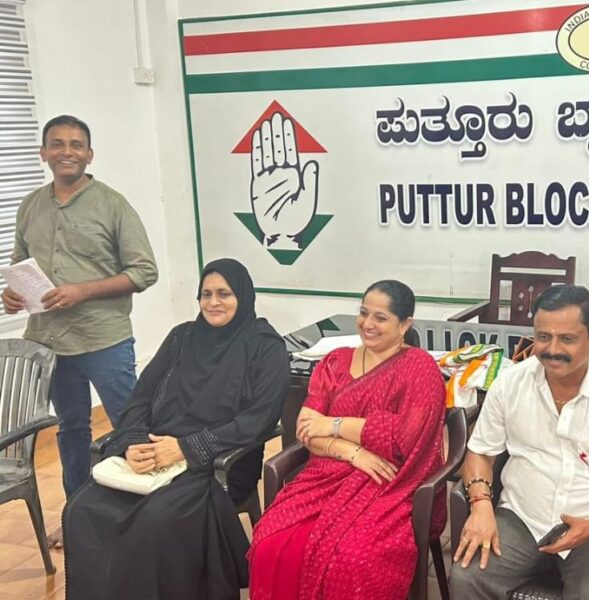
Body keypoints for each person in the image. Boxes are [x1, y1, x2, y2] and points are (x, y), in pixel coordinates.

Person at [62, 258, 289, 599]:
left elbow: (260, 418)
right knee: (83, 510)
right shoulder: (182, 337)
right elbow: (140, 398)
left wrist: (186, 448)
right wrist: (133, 444)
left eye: (224, 293)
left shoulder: (264, 346)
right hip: (155, 453)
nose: (213, 302)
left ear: (243, 296)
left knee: (155, 521)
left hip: (216, 463)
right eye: (206, 294)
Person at [449, 284, 589, 600]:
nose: (552, 349)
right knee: (467, 578)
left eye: (567, 339)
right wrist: (481, 505)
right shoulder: (510, 384)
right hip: (522, 517)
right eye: (543, 337)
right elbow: (480, 453)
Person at [1, 115, 159, 521]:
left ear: (89, 154)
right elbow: (20, 263)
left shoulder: (112, 205)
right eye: (57, 144)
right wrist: (11, 294)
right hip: (50, 343)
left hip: (104, 339)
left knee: (129, 425)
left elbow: (145, 272)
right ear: (43, 153)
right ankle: (80, 515)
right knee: (71, 430)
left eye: (76, 145)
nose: (66, 152)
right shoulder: (30, 205)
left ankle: (145, 515)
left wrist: (82, 291)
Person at [249, 279, 446, 600]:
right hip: (326, 474)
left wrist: (333, 424)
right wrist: (353, 452)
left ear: (404, 324)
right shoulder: (336, 362)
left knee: (353, 557)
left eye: (380, 318)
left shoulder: (419, 368)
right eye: (363, 313)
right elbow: (306, 429)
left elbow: (402, 440)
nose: (367, 324)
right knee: (270, 541)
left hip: (387, 483)